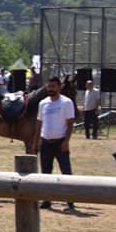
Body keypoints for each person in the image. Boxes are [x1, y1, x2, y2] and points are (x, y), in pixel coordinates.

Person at [34, 76, 77, 211]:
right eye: (49, 86)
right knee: (46, 172)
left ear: (59, 87)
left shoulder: (66, 102)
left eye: (53, 86)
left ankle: (70, 201)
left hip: (60, 143)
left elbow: (70, 124)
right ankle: (47, 200)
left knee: (66, 172)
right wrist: (36, 142)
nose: (51, 89)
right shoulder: (43, 103)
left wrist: (66, 141)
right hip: (45, 142)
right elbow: (39, 123)